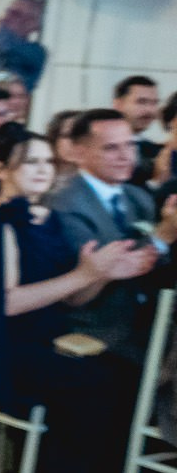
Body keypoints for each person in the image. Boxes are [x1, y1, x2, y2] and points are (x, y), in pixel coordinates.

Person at [0, 125, 151, 473]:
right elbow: (4, 304)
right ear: (1, 169)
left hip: (48, 334)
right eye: (31, 161)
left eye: (48, 162)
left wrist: (100, 275)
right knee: (93, 386)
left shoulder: (51, 218)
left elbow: (74, 297)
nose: (43, 170)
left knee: (120, 377)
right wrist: (83, 275)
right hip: (2, 343)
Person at [47, 107, 177, 361]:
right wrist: (163, 235)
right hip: (93, 329)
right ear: (79, 152)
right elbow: (96, 272)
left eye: (130, 146)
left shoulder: (136, 196)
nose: (125, 156)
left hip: (146, 324)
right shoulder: (63, 203)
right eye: (111, 148)